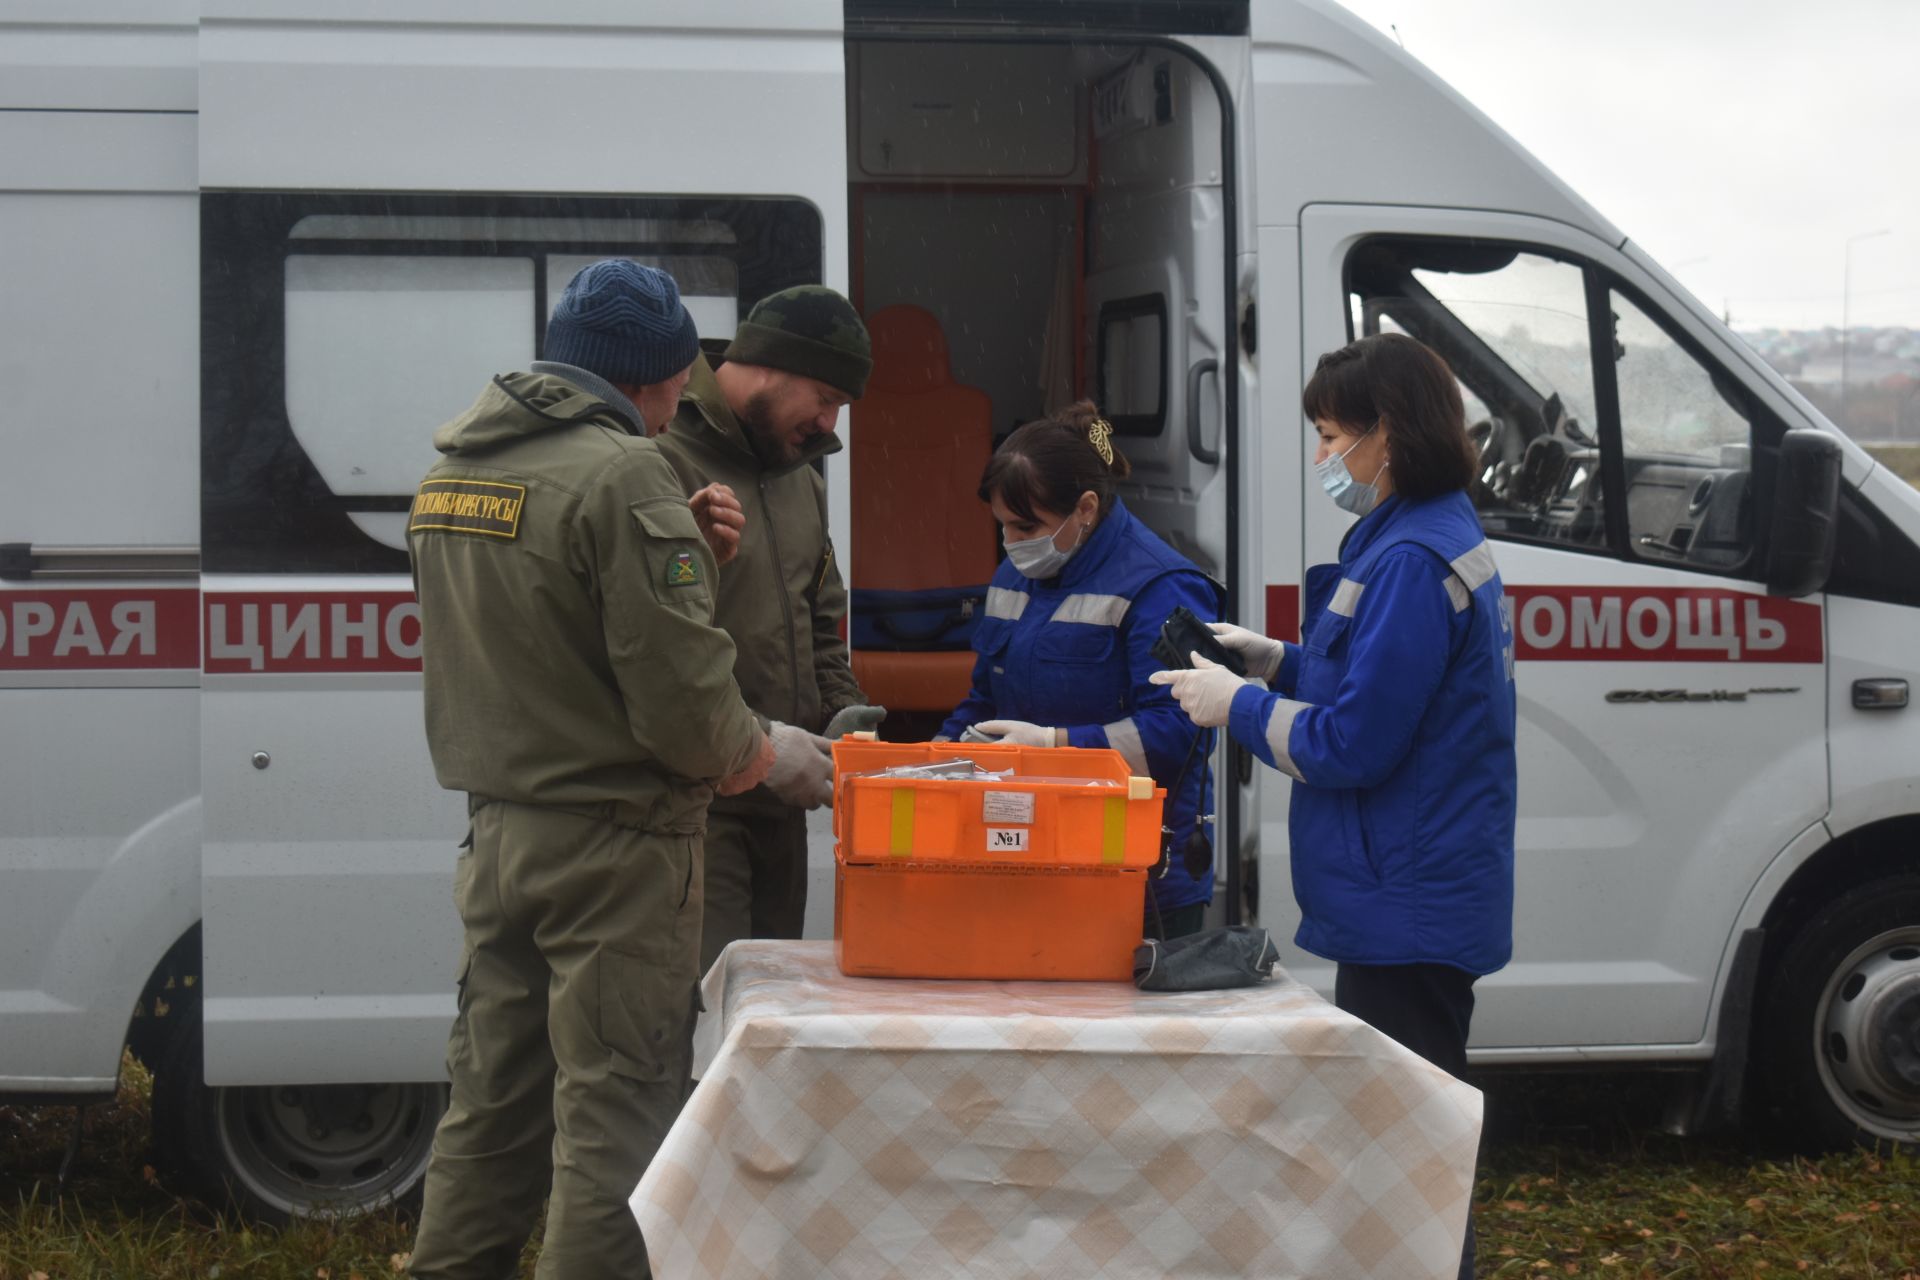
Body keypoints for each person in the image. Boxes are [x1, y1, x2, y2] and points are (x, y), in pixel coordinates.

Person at [406, 259, 775, 1280]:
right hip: (616, 851)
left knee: (492, 1101)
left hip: (501, 834)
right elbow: (684, 705)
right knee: (615, 1116)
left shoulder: (456, 470)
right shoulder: (622, 473)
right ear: (650, 379)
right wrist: (761, 753)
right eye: (677, 389)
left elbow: (540, 623)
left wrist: (683, 552)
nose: (677, 411)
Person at [1151, 332, 1516, 1280]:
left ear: (1385, 435)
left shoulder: (1409, 558)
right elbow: (1378, 681)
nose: (1324, 458)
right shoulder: (1417, 536)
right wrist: (1280, 662)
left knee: (1409, 1156)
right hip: (1412, 890)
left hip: (1408, 902)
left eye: (1330, 436)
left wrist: (1242, 708)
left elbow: (1355, 741)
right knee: (1406, 1140)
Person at [654, 285, 884, 974]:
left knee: (773, 1001)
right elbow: (648, 635)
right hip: (698, 800)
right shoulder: (660, 451)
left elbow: (820, 611)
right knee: (710, 1005)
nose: (830, 424)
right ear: (768, 367)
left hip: (782, 805)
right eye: (824, 398)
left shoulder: (800, 476)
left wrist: (842, 708)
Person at [938, 401, 1219, 937]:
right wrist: (941, 755)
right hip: (1031, 853)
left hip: (1138, 870)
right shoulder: (1016, 573)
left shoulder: (1162, 586)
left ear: (1086, 507)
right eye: (1003, 527)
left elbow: (1179, 734)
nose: (1012, 543)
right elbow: (986, 700)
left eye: (1026, 526)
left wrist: (1054, 746)